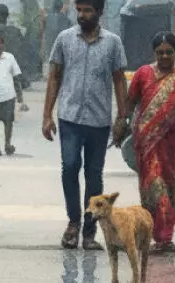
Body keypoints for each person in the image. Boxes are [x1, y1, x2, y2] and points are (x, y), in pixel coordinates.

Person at [43, 0, 128, 250]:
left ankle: (90, 232)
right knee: (69, 168)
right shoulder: (64, 39)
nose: (82, 15)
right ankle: (73, 223)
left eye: (87, 10)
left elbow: (119, 81)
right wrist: (47, 115)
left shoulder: (113, 42)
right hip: (69, 118)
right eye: (79, 10)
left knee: (94, 176)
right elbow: (54, 76)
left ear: (99, 13)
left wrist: (122, 118)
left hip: (98, 121)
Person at [126, 32, 175, 254]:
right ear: (154, 53)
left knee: (172, 190)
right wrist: (120, 123)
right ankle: (157, 234)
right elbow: (130, 102)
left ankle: (165, 238)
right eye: (160, 53)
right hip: (148, 142)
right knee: (154, 186)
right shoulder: (143, 74)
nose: (165, 56)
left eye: (169, 52)